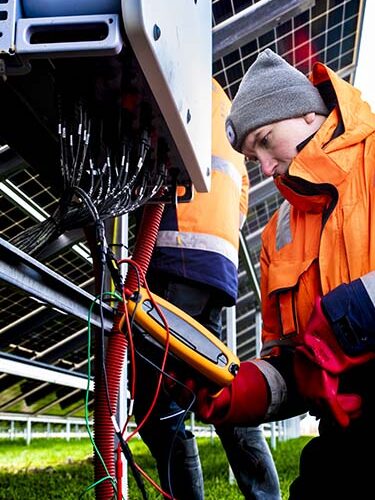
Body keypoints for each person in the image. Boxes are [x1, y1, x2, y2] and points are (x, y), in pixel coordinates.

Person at [170, 48, 375, 499]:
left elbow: (335, 334)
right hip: (344, 435)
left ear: (305, 113)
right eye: (250, 154)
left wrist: (353, 315)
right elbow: (295, 367)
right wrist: (244, 390)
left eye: (264, 140)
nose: (262, 167)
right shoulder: (276, 233)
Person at [133, 78, 281, 500]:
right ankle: (264, 495)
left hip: (173, 251)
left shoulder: (171, 72)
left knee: (156, 403)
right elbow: (242, 195)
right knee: (217, 383)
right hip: (214, 261)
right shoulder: (226, 105)